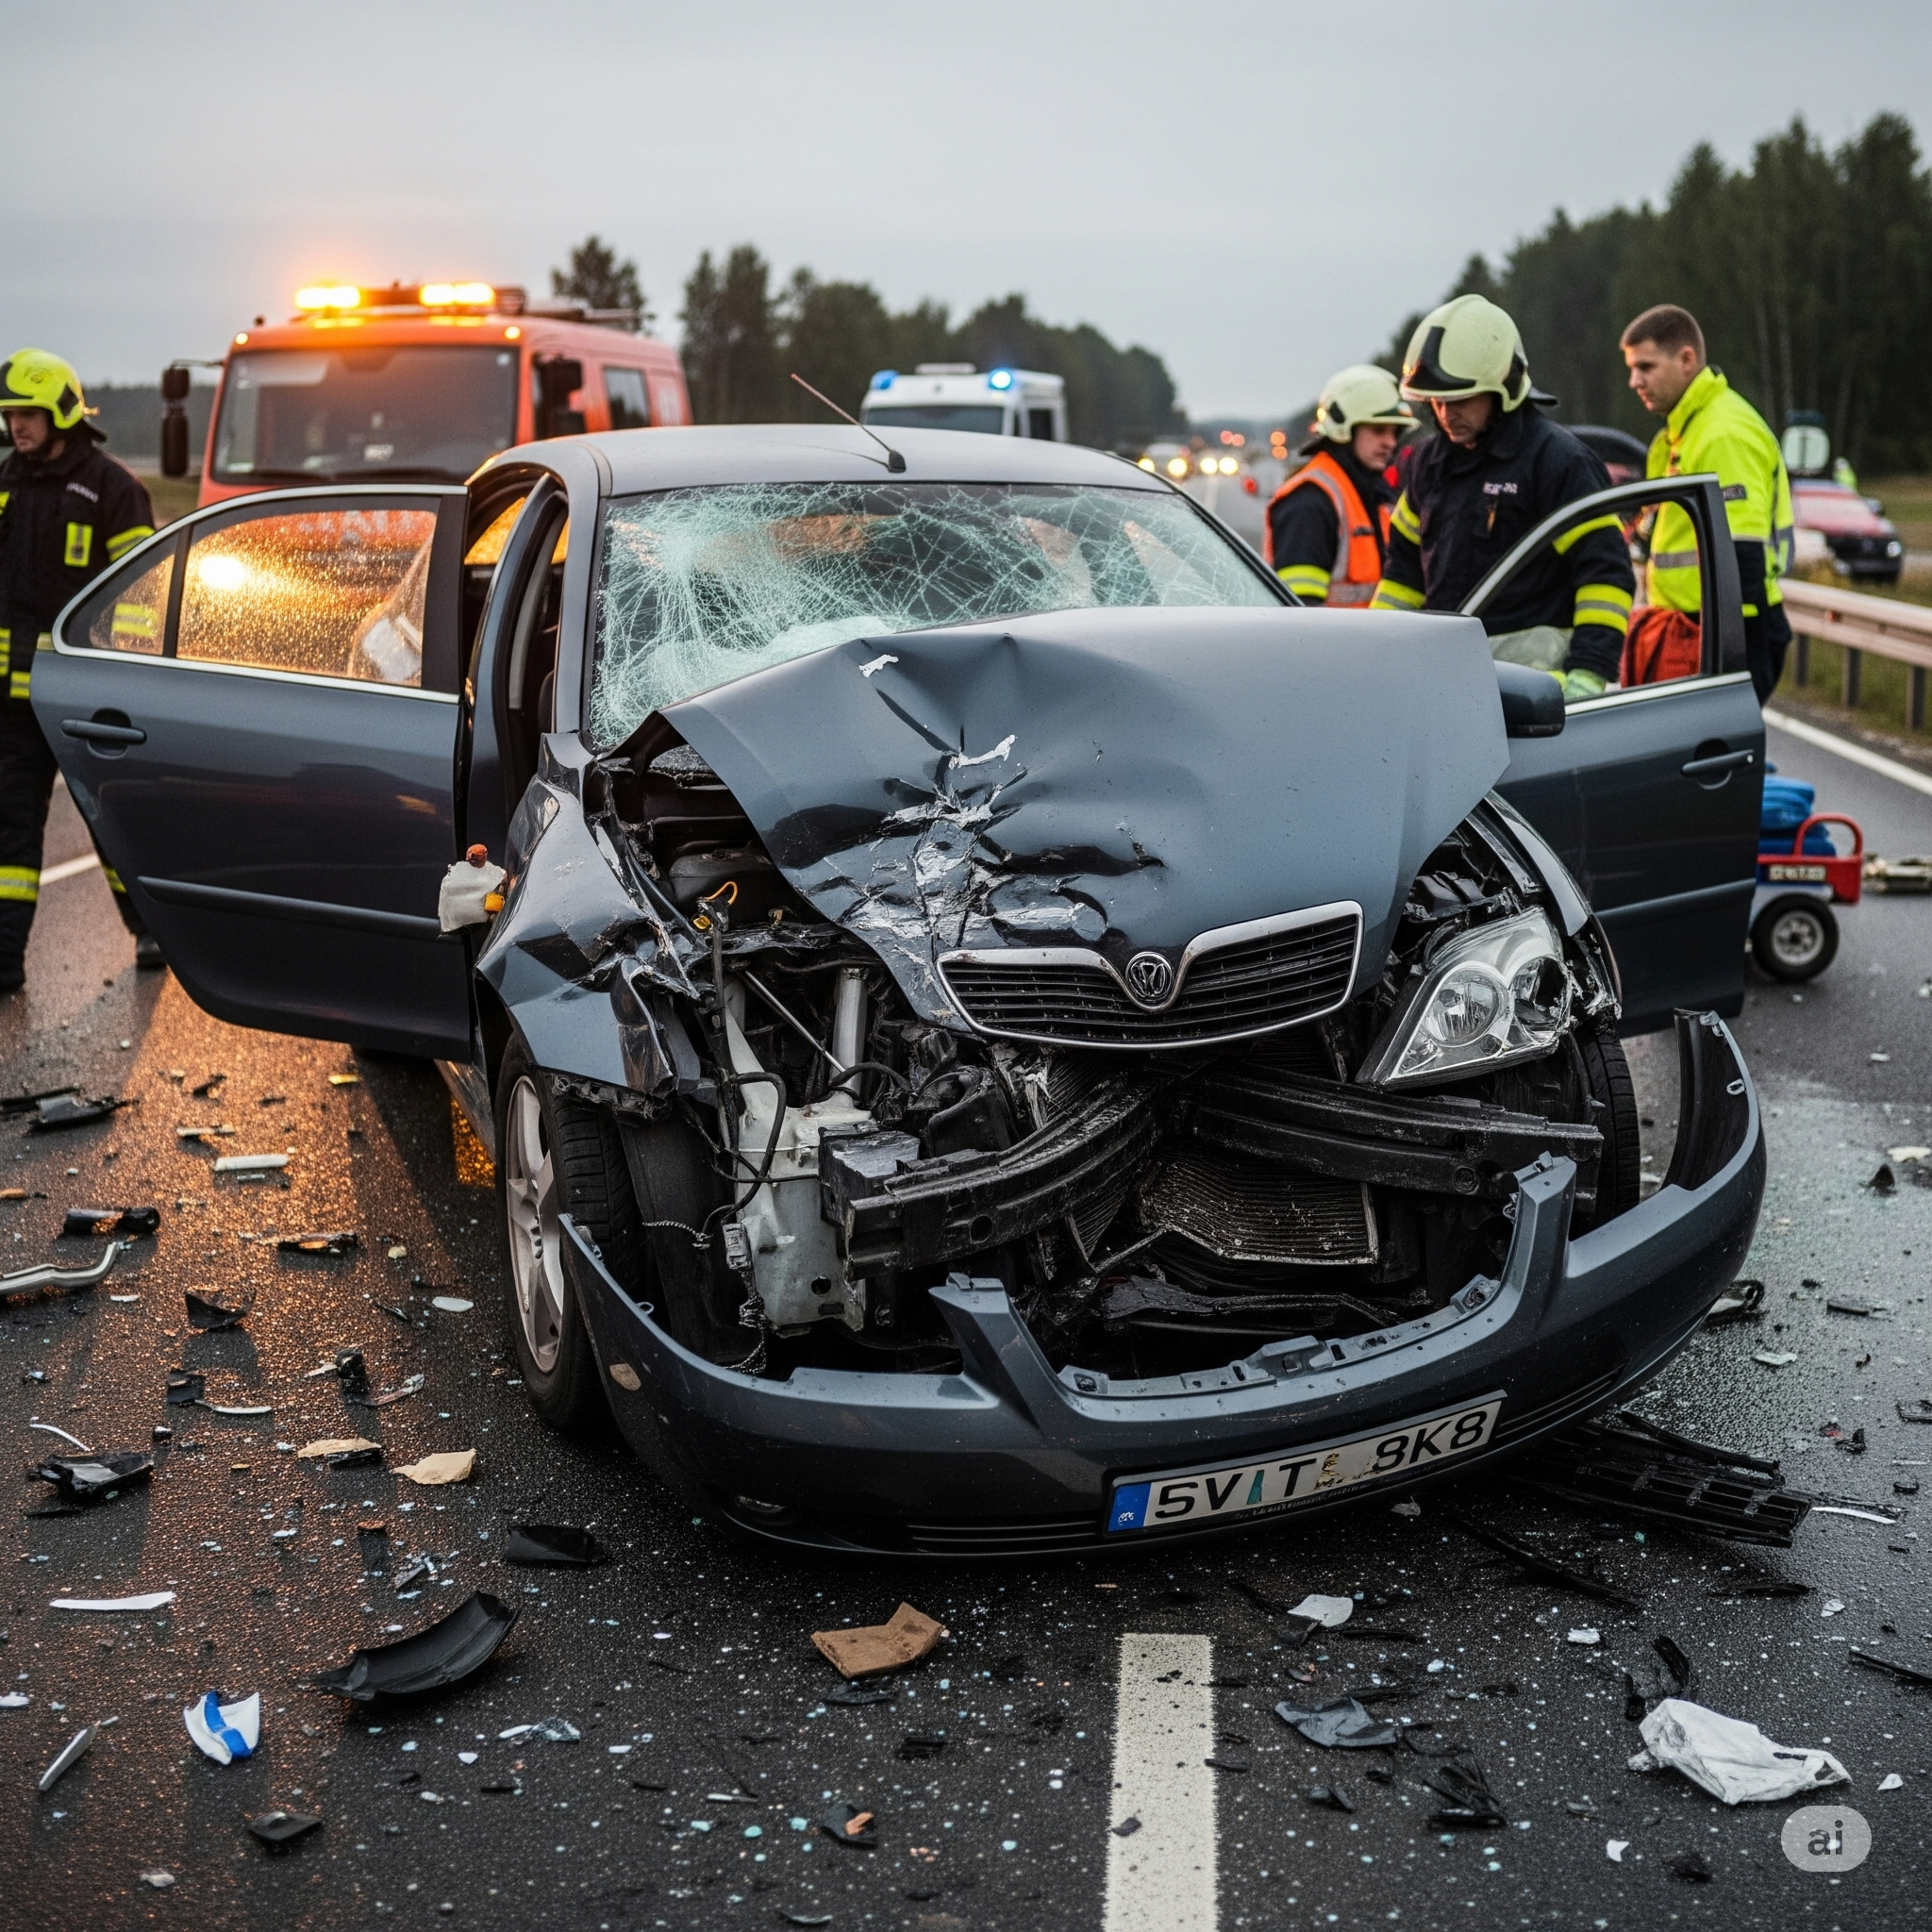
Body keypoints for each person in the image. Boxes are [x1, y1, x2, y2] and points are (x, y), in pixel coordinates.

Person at [1370, 294, 1635, 702]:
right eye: (1435, 401)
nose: (1445, 414)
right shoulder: (1429, 463)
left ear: (1505, 387)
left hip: (1535, 693)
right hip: (1448, 682)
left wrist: (1589, 674)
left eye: (1460, 399)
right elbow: (1403, 573)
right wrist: (1375, 650)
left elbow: (1605, 575)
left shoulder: (1558, 462)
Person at [0, 349, 162, 990]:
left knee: (110, 821)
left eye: (29, 414)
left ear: (62, 411)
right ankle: (4, 962)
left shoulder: (114, 489)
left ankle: (152, 931)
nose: (17, 426)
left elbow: (141, 598)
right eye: (11, 414)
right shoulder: (5, 485)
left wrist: (118, 679)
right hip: (11, 705)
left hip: (82, 698)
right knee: (10, 835)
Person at [1620, 304, 1794, 702]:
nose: (1634, 381)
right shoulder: (1679, 435)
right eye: (1631, 369)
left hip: (1724, 635)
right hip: (1689, 630)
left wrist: (1736, 660)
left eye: (1645, 367)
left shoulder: (1723, 434)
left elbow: (1742, 559)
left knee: (1712, 758)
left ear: (1686, 359)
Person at [1263, 365, 1412, 605]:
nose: (1390, 442)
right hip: (1332, 643)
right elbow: (1300, 614)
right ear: (1343, 427)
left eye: (1395, 432)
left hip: (1372, 641)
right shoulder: (1310, 503)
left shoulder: (1373, 494)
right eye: (1379, 430)